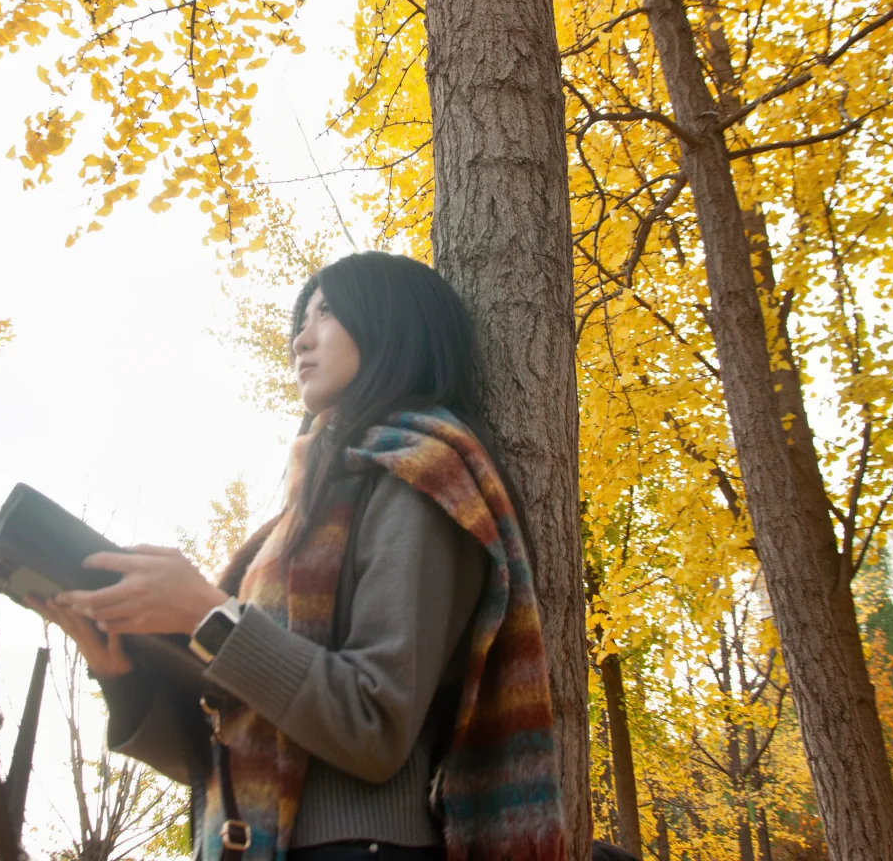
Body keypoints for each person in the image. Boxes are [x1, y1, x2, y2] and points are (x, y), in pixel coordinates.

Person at [30, 252, 564, 861]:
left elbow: (375, 726)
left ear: (392, 324)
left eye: (328, 312)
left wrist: (209, 616)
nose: (300, 339)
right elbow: (223, 756)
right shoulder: (283, 531)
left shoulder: (420, 477)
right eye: (299, 321)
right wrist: (120, 675)